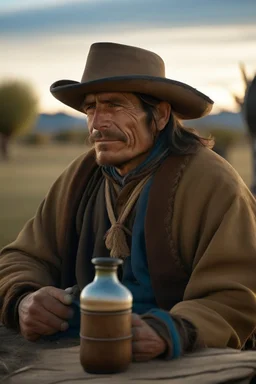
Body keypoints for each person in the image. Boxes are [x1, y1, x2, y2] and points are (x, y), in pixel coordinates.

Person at [1, 42, 256, 362]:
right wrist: (24, 299)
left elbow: (238, 293)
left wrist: (168, 332)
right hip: (77, 346)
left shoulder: (213, 183)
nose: (97, 124)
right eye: (91, 108)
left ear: (160, 115)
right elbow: (22, 256)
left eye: (114, 105)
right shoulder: (80, 177)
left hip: (182, 356)